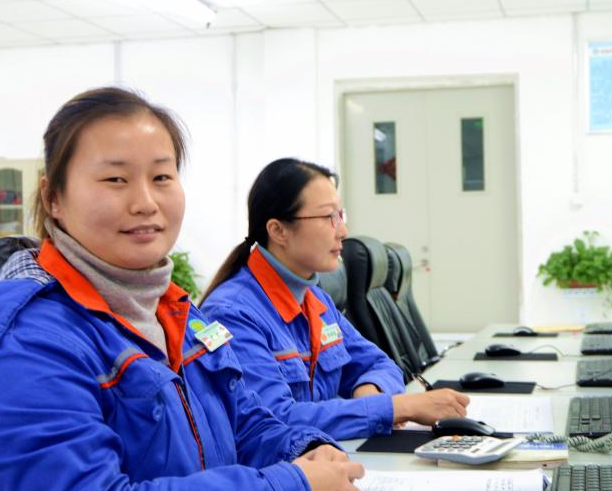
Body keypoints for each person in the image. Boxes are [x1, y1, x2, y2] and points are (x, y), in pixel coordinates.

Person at [0, 89, 364, 491]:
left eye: (162, 176)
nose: (145, 202)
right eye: (115, 179)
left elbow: (246, 423)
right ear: (53, 197)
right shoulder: (23, 342)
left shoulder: (177, 312)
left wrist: (306, 450)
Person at [199, 158, 469, 441]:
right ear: (278, 231)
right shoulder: (233, 314)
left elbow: (380, 364)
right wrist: (397, 408)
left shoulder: (315, 300)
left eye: (341, 215)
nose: (342, 231)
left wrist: (372, 392)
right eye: (328, 217)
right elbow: (276, 420)